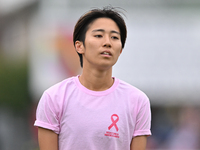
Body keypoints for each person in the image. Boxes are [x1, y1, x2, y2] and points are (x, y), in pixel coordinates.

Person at [34, 6, 151, 150]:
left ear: (120, 50)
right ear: (79, 46)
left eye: (114, 37)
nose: (107, 42)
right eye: (98, 36)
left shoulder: (137, 101)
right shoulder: (54, 97)